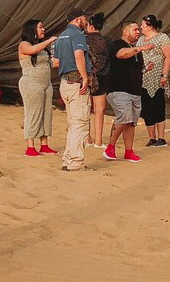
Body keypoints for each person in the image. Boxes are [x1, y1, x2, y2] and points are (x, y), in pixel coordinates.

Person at [53, 9, 93, 172]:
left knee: (73, 123)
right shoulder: (77, 34)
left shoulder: (62, 36)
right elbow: (79, 56)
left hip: (65, 81)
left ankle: (68, 158)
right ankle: (76, 162)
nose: (86, 21)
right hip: (76, 81)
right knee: (80, 123)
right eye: (84, 18)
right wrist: (84, 77)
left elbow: (55, 62)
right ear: (77, 20)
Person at [103, 20, 144, 163]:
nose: (138, 32)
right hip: (119, 89)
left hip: (135, 90)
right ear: (126, 32)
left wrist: (146, 68)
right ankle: (110, 147)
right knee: (124, 117)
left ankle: (129, 151)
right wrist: (141, 48)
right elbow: (121, 55)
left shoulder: (136, 49)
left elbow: (136, 67)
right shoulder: (117, 45)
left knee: (131, 122)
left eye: (138, 29)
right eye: (135, 29)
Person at [17, 19, 57, 156]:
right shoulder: (24, 44)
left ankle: (44, 144)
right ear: (32, 29)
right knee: (33, 113)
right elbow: (32, 50)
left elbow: (50, 62)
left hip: (46, 84)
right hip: (31, 84)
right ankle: (30, 146)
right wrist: (49, 41)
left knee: (46, 114)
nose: (43, 29)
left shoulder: (42, 47)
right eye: (40, 27)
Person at [137, 14, 170, 146]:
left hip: (157, 77)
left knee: (158, 105)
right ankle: (152, 137)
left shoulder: (162, 38)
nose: (141, 27)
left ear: (150, 26)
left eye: (143, 25)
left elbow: (168, 57)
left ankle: (161, 137)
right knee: (147, 108)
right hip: (144, 78)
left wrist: (164, 75)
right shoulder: (141, 40)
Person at [86, 11, 114, 151]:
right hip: (102, 77)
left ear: (90, 26)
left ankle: (87, 138)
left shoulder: (82, 39)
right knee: (99, 110)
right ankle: (98, 140)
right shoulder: (107, 42)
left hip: (85, 77)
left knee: (85, 108)